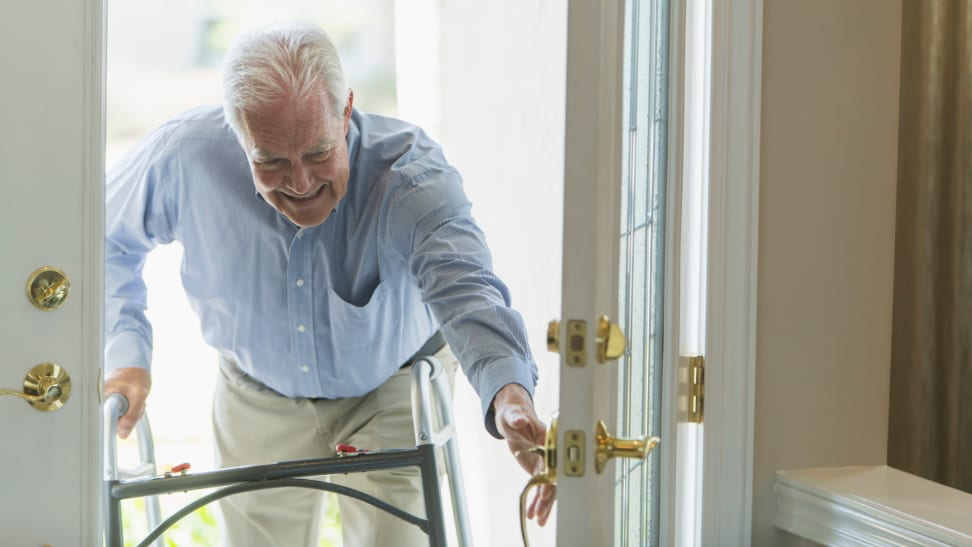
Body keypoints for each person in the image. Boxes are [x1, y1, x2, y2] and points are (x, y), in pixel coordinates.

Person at [103, 21, 555, 547]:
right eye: (270, 160)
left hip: (391, 385)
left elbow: (468, 290)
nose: (299, 183)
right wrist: (126, 353)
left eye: (318, 152)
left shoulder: (410, 174)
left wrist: (508, 393)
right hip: (257, 390)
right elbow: (103, 240)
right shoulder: (184, 156)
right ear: (237, 131)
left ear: (345, 113)